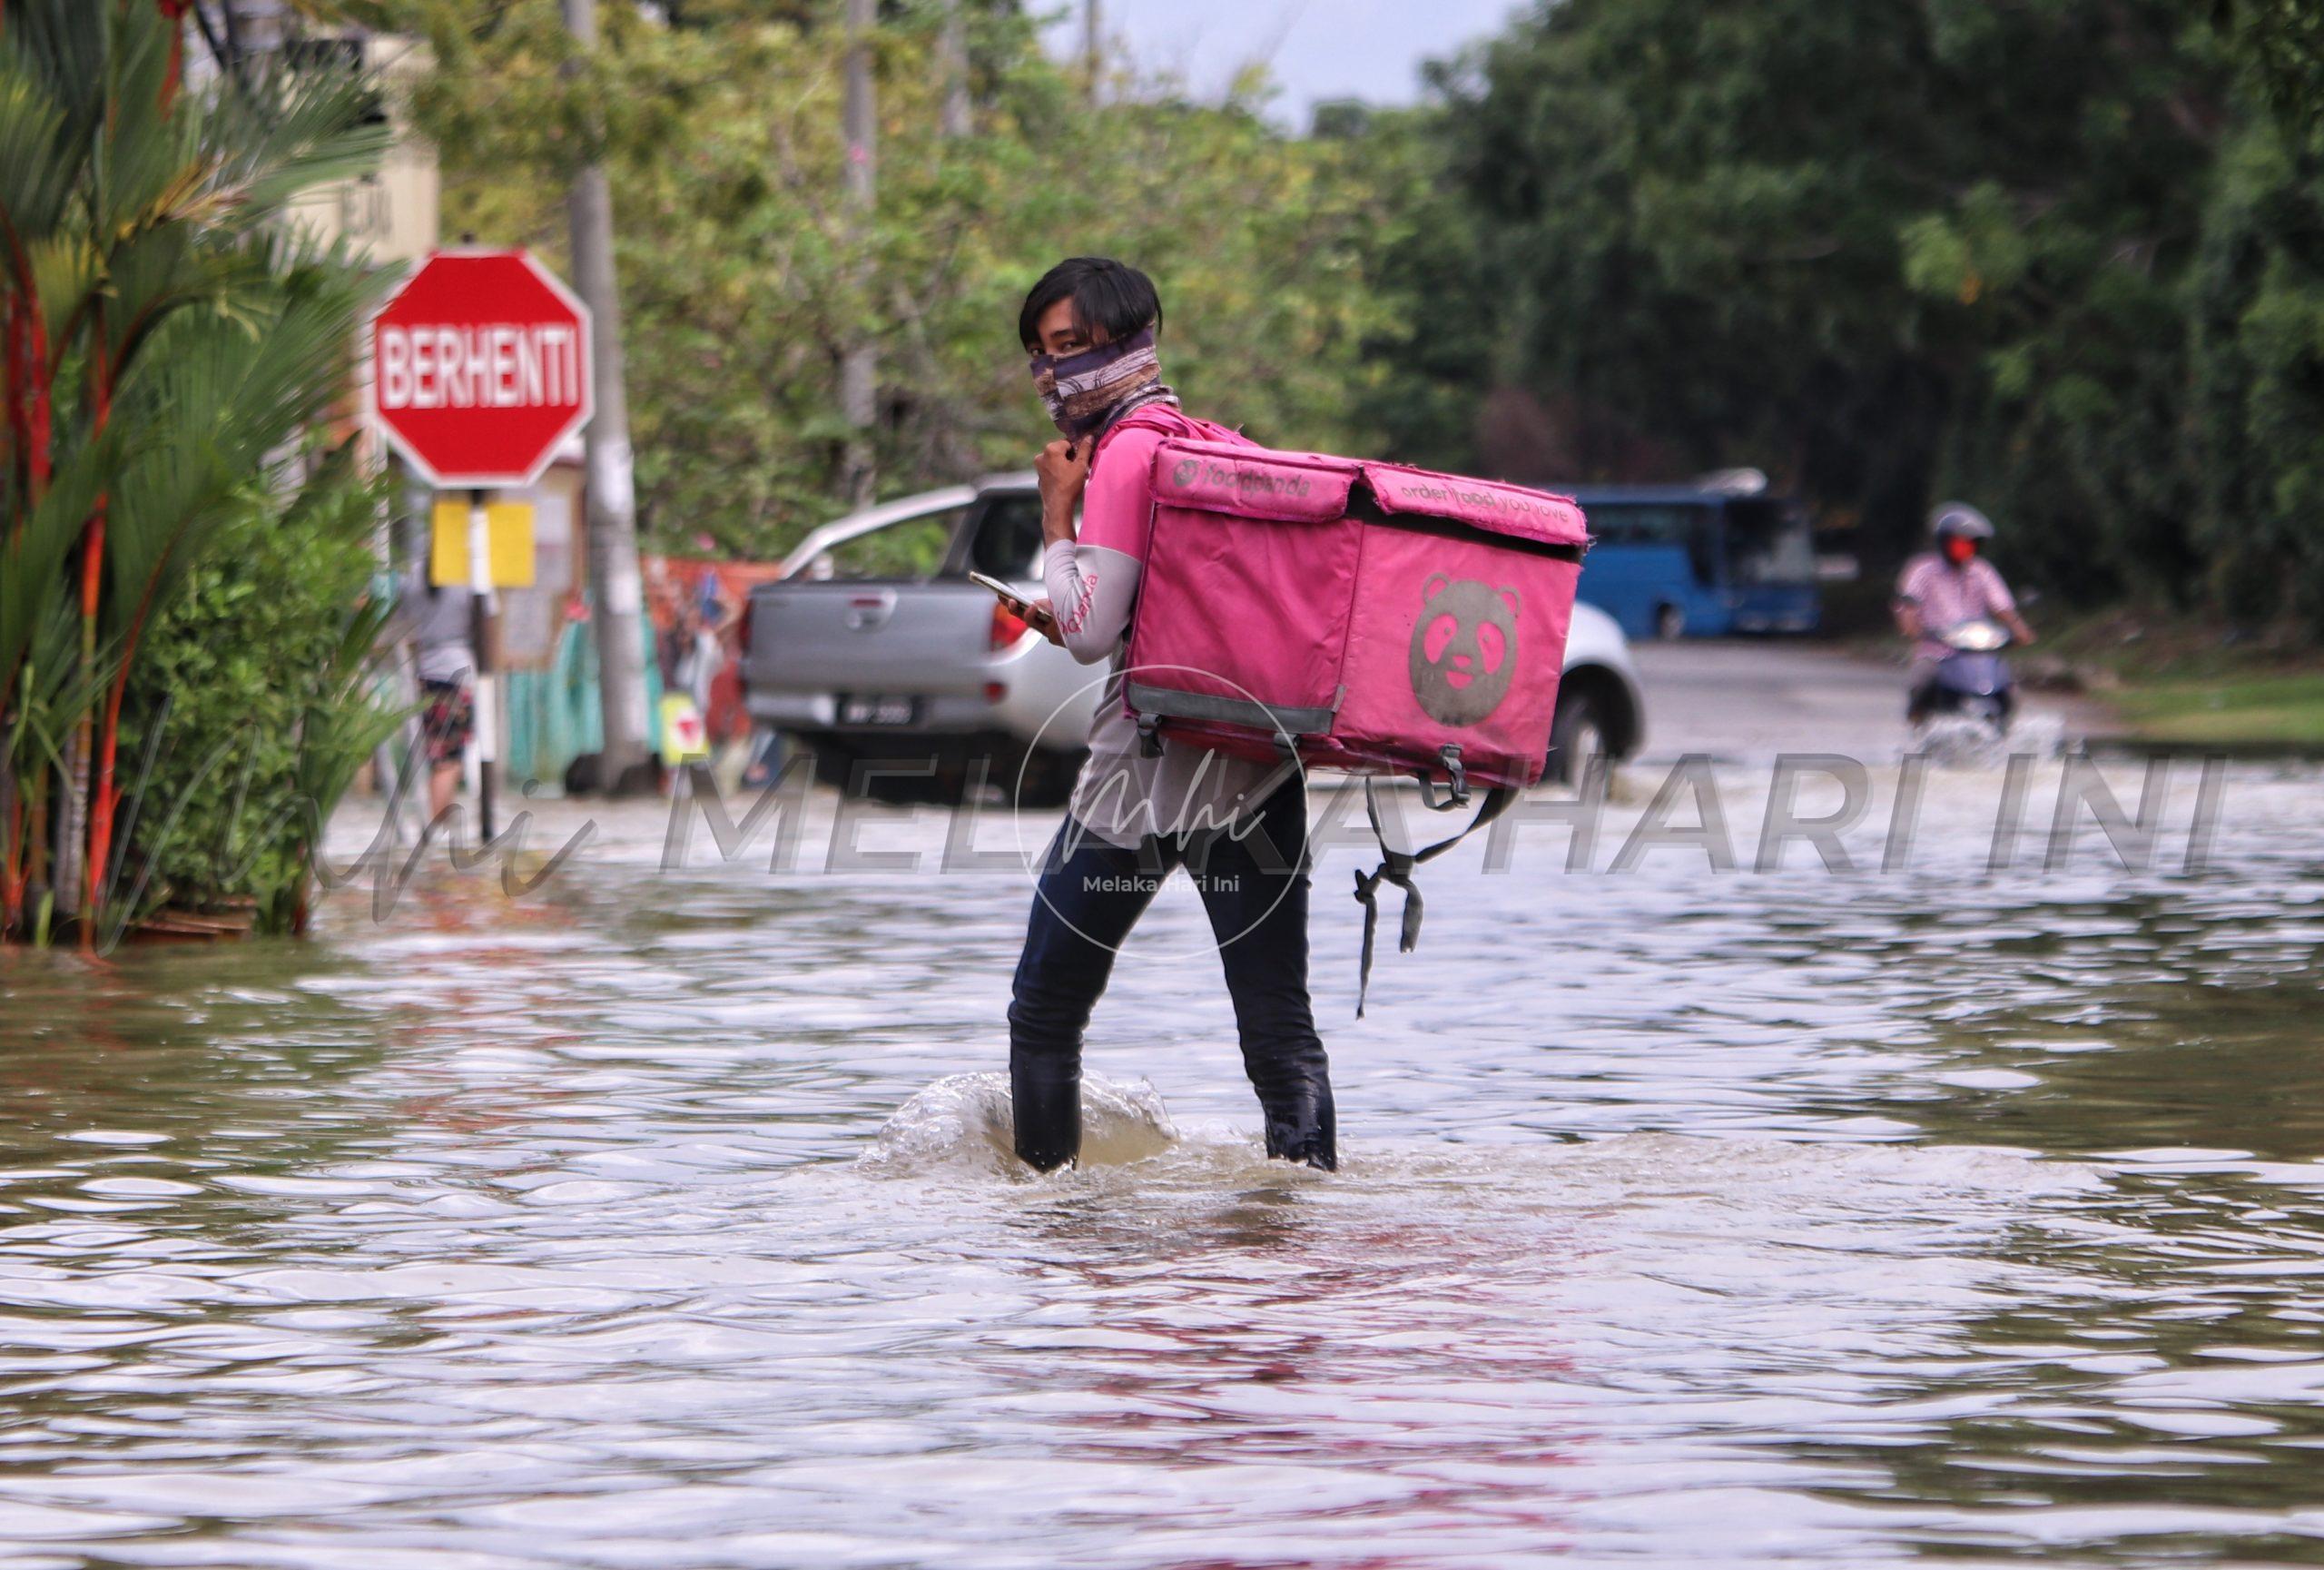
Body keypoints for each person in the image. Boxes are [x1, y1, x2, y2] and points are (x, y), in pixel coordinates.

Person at [1003, 256, 1335, 1174]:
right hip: (1254, 762)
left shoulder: (1120, 457)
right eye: (1040, 351)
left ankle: (1046, 1226)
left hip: (1140, 779)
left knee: (1043, 1011)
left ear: (1128, 339)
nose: (1051, 372)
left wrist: (1056, 514)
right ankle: (1300, 1221)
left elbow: (1086, 634)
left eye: (1070, 347)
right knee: (1278, 1029)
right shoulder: (1207, 442)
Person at [1893, 503, 2036, 724]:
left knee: (2011, 690)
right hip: (1937, 652)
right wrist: (1912, 627)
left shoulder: (1982, 571)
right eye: (1959, 543)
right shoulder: (1922, 570)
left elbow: (2002, 607)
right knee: (1920, 683)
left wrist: (2020, 630)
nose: (1965, 549)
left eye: (1970, 544)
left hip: (1979, 653)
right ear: (1944, 543)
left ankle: (2005, 729)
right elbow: (1908, 604)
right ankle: (1918, 722)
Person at [391, 561, 478, 824]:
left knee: (439, 757)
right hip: (457, 673)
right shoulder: (467, 576)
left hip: (425, 674)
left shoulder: (411, 576)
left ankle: (437, 828)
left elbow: (401, 620)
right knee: (448, 762)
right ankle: (436, 828)